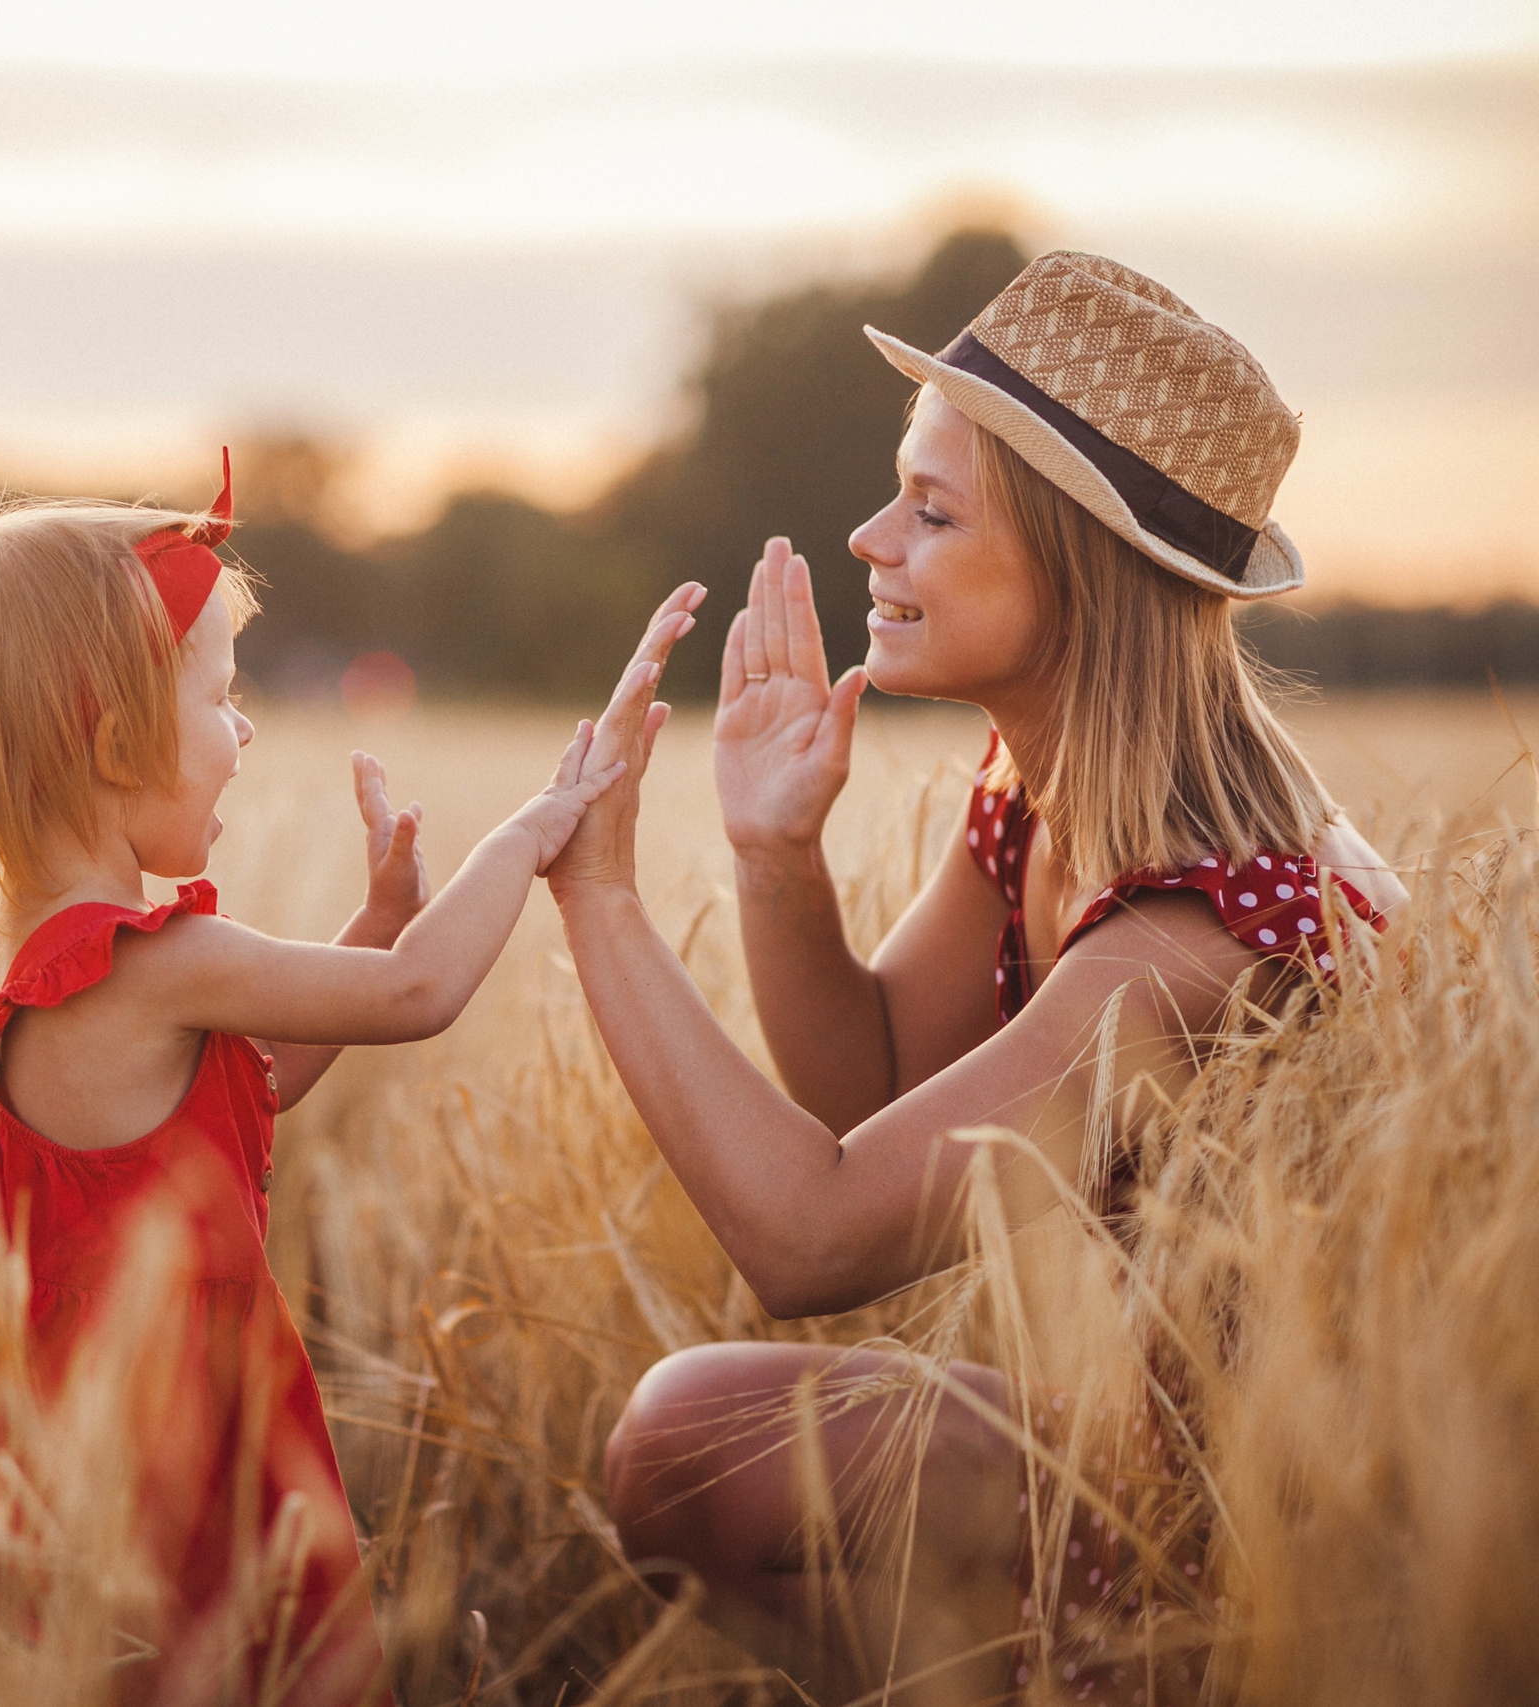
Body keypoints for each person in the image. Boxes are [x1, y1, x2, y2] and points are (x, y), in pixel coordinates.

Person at [546, 253, 1407, 1700]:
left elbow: (811, 1242)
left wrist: (595, 895)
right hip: (1144, 1451)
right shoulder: (1037, 794)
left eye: (932, 512)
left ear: (1081, 572)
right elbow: (877, 1083)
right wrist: (774, 855)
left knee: (687, 1442)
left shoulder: (1204, 933)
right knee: (691, 1453)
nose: (870, 536)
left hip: (1271, 1538)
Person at [0, 453, 666, 1705]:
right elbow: (417, 996)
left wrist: (376, 919)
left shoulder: (30, 956)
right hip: (177, 1450)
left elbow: (250, 1089)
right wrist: (528, 835)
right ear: (114, 740)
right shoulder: (150, 960)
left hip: (89, 1431)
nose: (242, 733)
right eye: (222, 698)